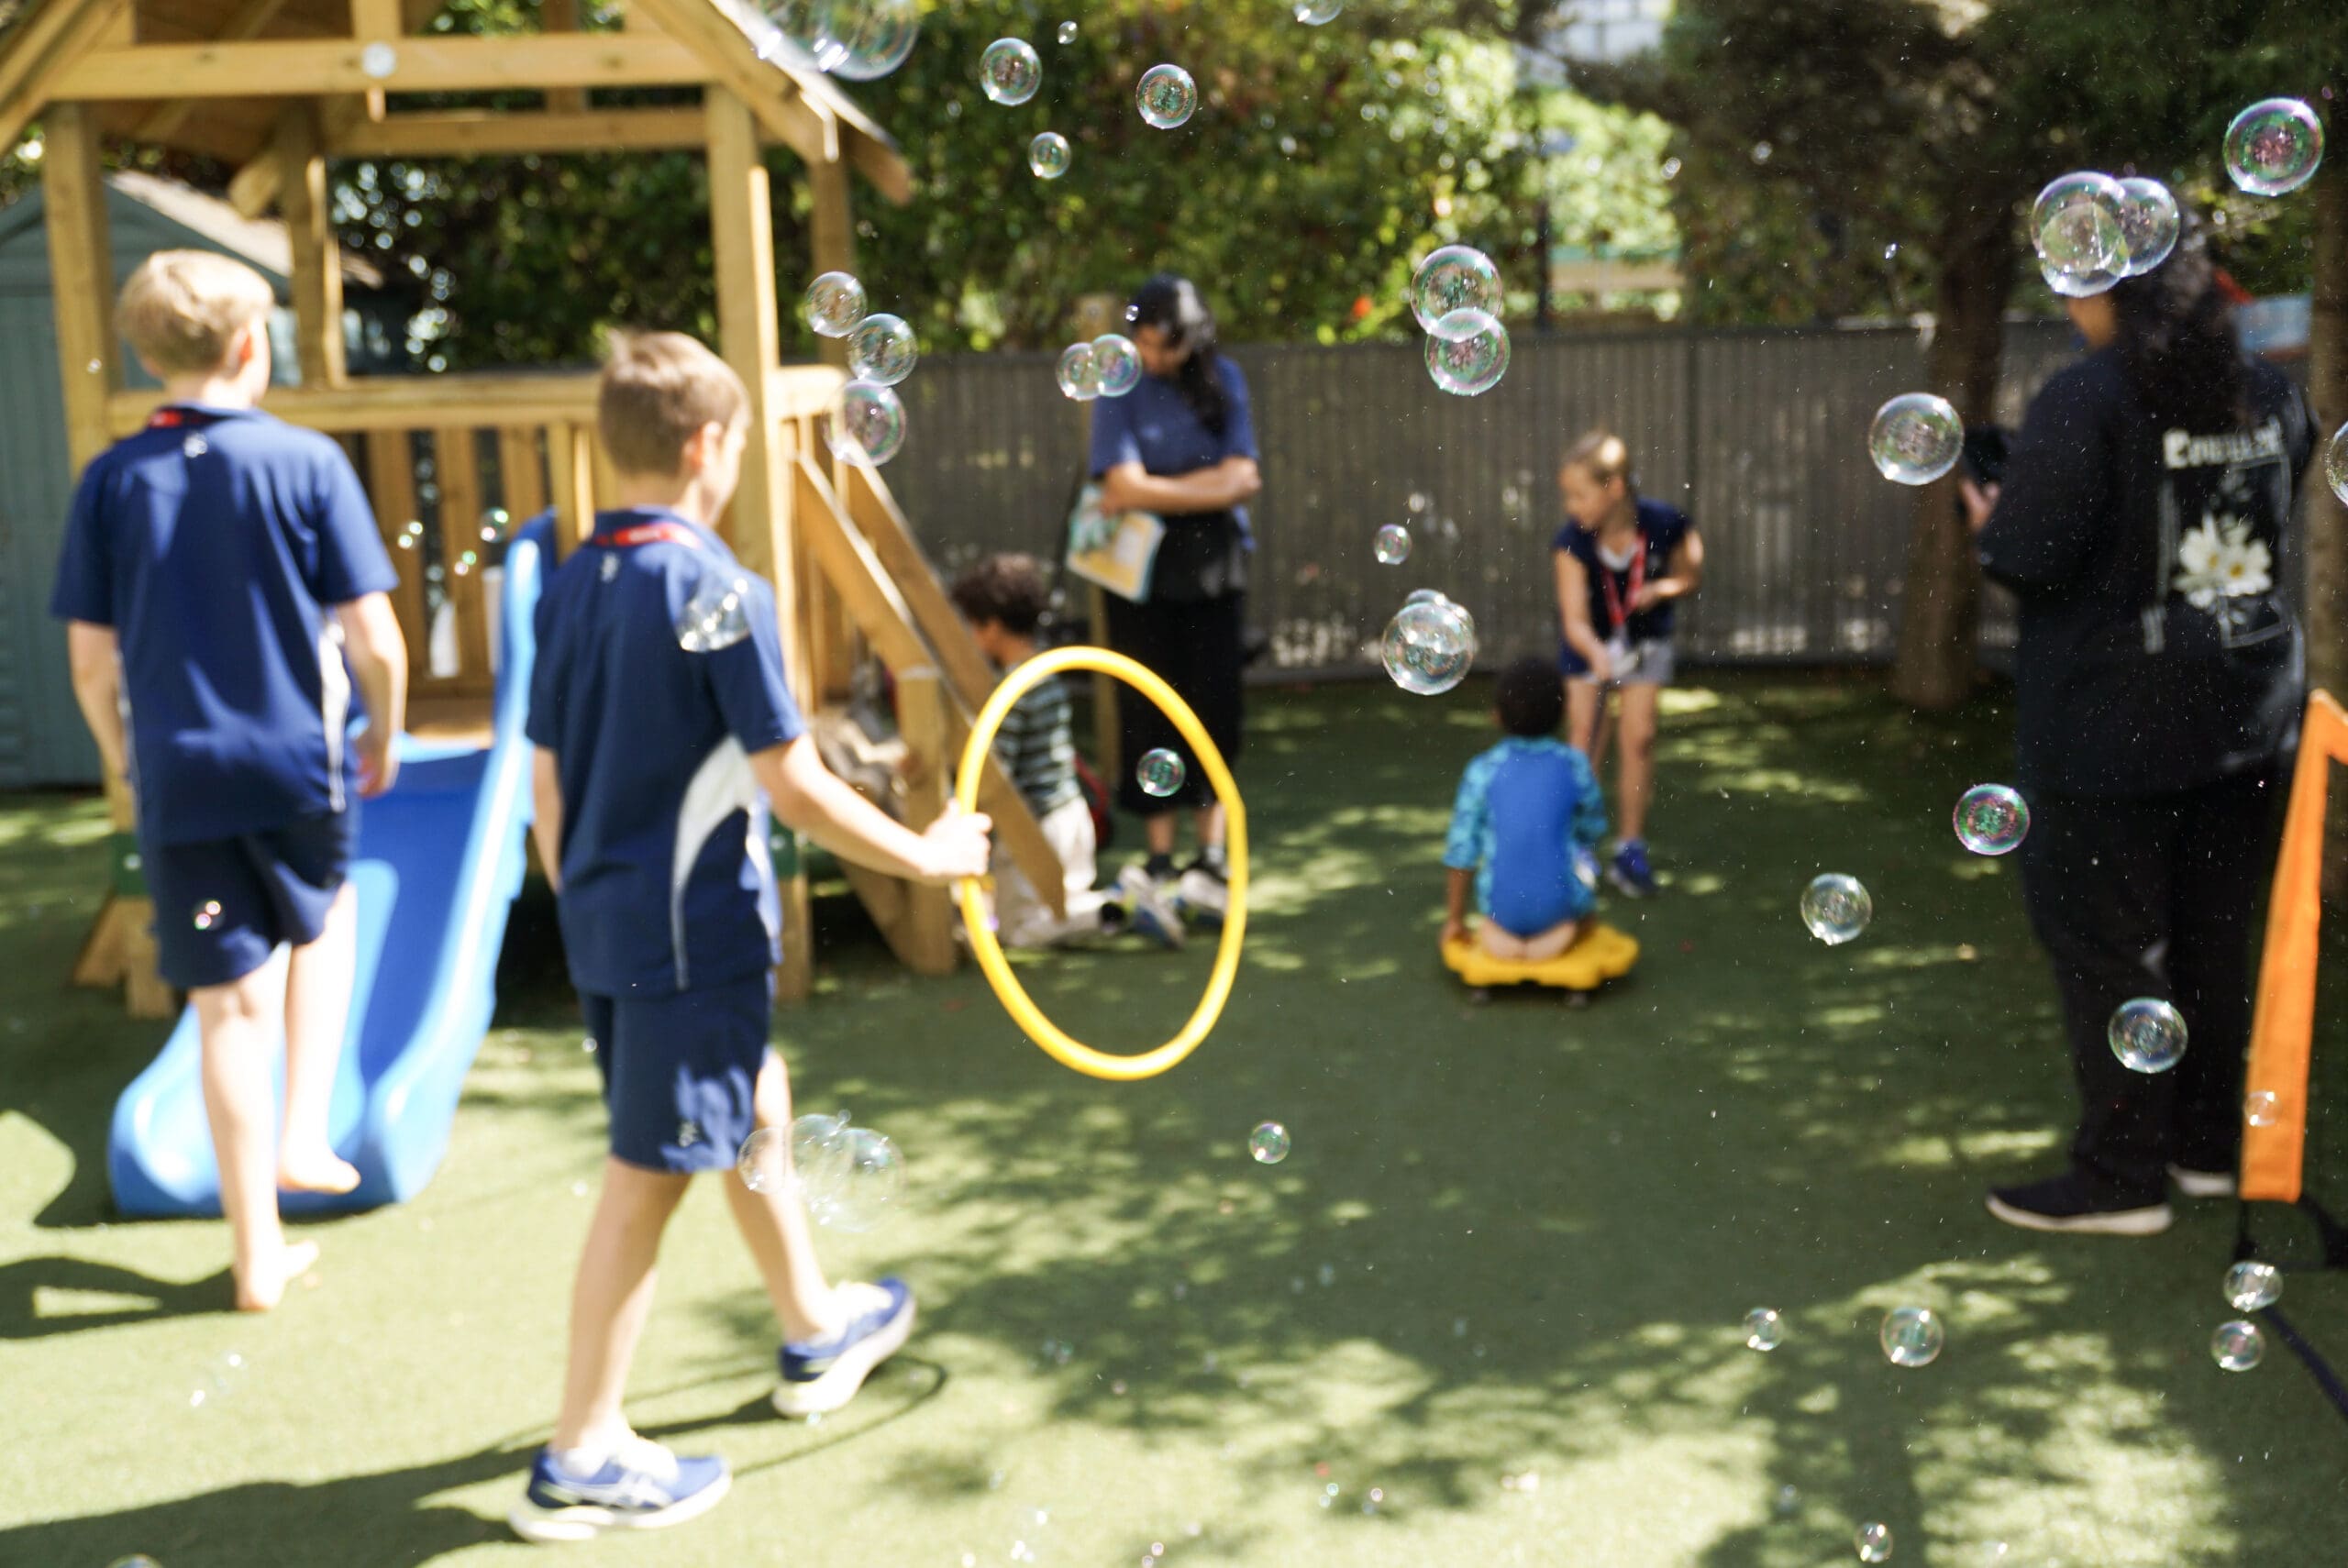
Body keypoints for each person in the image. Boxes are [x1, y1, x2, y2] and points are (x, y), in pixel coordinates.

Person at [514, 332, 991, 1541]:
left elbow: (547, 780)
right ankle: (580, 1451)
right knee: (649, 1176)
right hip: (691, 935)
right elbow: (792, 784)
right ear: (707, 447)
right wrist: (926, 852)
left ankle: (814, 1325)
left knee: (758, 1100)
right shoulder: (721, 585)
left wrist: (581, 897)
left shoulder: (571, 580)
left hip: (611, 925)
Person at [50, 251, 409, 1312]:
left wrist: (125, 759)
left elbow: (89, 661)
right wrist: (384, 733)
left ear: (145, 355)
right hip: (297, 771)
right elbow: (375, 639)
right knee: (326, 914)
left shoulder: (112, 481)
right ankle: (306, 1127)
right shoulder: (305, 465)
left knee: (223, 1007)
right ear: (252, 348)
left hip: (183, 784)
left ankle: (256, 1259)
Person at [1966, 218, 2315, 1236]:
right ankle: (2206, 1149)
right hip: (2248, 719)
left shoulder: (2089, 396)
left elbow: (2025, 559)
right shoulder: (2273, 391)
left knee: (2111, 953)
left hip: (2109, 733)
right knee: (2211, 942)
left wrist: (1987, 510)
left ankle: (2122, 1179)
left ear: (2112, 294)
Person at [1090, 273, 1260, 922]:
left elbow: (1246, 475)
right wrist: (1209, 486)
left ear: (1191, 338)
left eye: (1163, 345)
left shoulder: (1227, 380)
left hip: (1216, 566)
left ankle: (1209, 856)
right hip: (1142, 570)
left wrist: (1158, 488)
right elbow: (1121, 485)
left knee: (1214, 704)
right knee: (1146, 708)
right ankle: (1159, 859)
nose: (1152, 357)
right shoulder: (1120, 385)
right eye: (1144, 342)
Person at [947, 553, 1183, 947]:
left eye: (972, 626)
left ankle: (1120, 907)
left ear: (991, 627)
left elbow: (995, 766)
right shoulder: (1046, 669)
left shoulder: (1011, 688)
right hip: (1071, 814)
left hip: (1037, 824)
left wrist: (959, 801)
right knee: (1066, 904)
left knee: (1021, 931)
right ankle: (1121, 903)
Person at [1553, 430, 1703, 898]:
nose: (1571, 506)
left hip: (1645, 642)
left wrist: (1661, 591)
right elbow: (1574, 620)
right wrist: (1596, 654)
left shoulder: (1666, 524)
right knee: (1586, 739)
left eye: (1579, 495)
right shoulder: (1571, 542)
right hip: (1590, 645)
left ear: (1614, 488)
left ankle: (1629, 850)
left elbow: (1690, 573)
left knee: (1638, 738)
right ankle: (1579, 846)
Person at [1442, 657, 1609, 962]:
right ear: (1563, 712)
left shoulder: (1483, 770)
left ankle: (1504, 937)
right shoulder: (1575, 766)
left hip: (1501, 909)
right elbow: (1593, 829)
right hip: (1558, 907)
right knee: (1580, 903)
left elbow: (1461, 852)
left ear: (1496, 716)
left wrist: (1454, 920)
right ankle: (1561, 932)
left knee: (1498, 911)